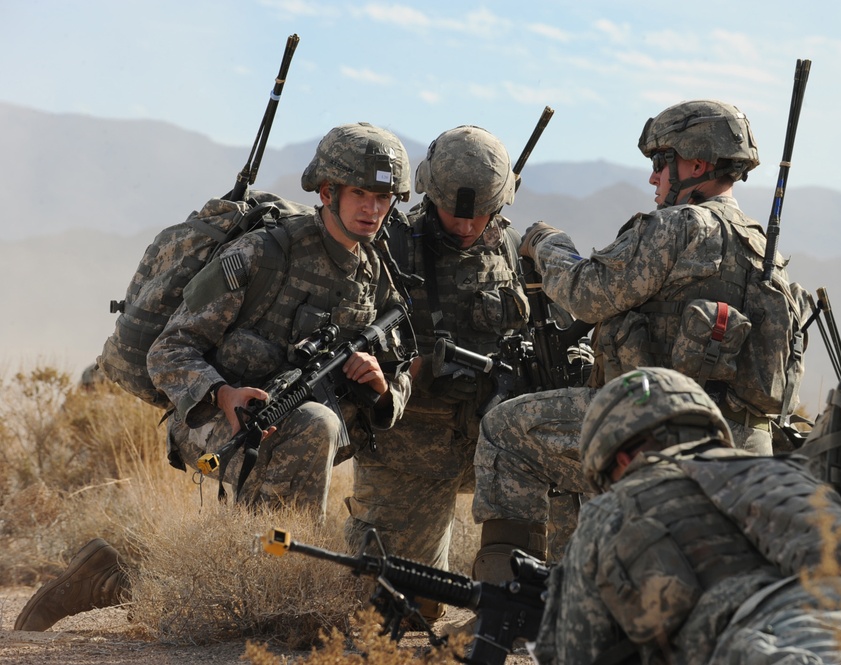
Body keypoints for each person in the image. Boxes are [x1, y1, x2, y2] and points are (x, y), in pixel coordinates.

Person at [14, 121, 414, 632]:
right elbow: (169, 350)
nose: (373, 209)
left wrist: (381, 386)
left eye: (383, 198)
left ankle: (114, 578)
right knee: (311, 439)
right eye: (360, 194)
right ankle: (286, 602)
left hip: (301, 434)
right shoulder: (262, 255)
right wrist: (222, 393)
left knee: (254, 562)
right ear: (327, 192)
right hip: (215, 424)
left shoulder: (378, 275)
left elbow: (400, 375)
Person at [471, 100, 799, 582]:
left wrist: (545, 242)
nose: (653, 178)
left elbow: (585, 293)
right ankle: (573, 585)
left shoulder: (678, 226)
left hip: (656, 438)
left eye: (661, 163)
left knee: (505, 431)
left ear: (696, 164)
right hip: (746, 454)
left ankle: (505, 601)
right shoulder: (765, 250)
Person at [531, 367, 841, 664]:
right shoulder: (787, 471)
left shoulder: (612, 509)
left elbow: (576, 655)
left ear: (620, 458)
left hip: (786, 642)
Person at [342, 125, 533, 621]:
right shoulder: (387, 248)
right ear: (428, 194)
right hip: (411, 448)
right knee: (402, 609)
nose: (466, 225)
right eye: (453, 212)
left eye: (481, 213)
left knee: (537, 589)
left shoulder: (513, 251)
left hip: (497, 444)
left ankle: (517, 601)